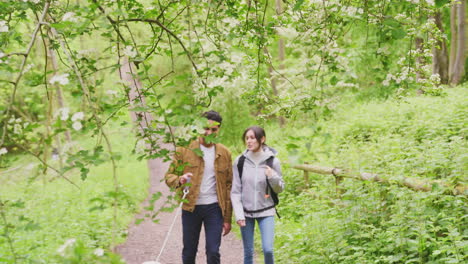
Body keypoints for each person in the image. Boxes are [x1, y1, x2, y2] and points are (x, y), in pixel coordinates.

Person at [164, 110, 233, 264]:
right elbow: (168, 176)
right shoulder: (184, 150)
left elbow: (229, 187)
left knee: (213, 252)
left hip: (214, 208)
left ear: (218, 130)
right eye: (205, 128)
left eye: (213, 130)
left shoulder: (225, 153)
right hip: (191, 207)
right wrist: (179, 179)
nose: (209, 132)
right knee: (189, 252)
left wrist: (227, 218)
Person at [231, 126, 284, 264]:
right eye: (247, 138)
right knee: (248, 252)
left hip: (266, 211)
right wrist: (239, 214)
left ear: (262, 139)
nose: (249, 141)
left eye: (252, 138)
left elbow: (280, 189)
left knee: (268, 249)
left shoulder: (273, 162)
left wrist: (272, 176)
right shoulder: (239, 162)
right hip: (246, 213)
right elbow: (235, 191)